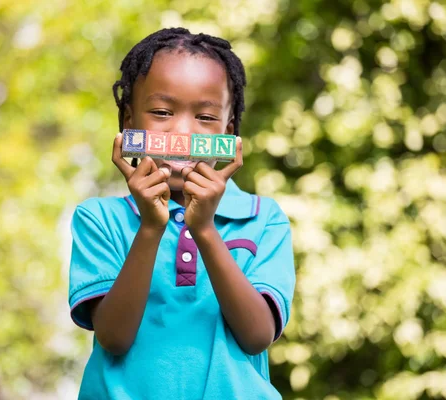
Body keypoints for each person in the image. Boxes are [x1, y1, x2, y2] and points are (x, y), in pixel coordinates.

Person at [68, 27, 295, 399]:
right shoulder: (99, 219)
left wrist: (204, 229)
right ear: (128, 123)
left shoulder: (263, 219)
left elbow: (257, 337)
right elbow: (113, 337)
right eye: (161, 112)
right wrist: (149, 228)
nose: (182, 132)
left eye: (205, 117)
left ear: (229, 130)